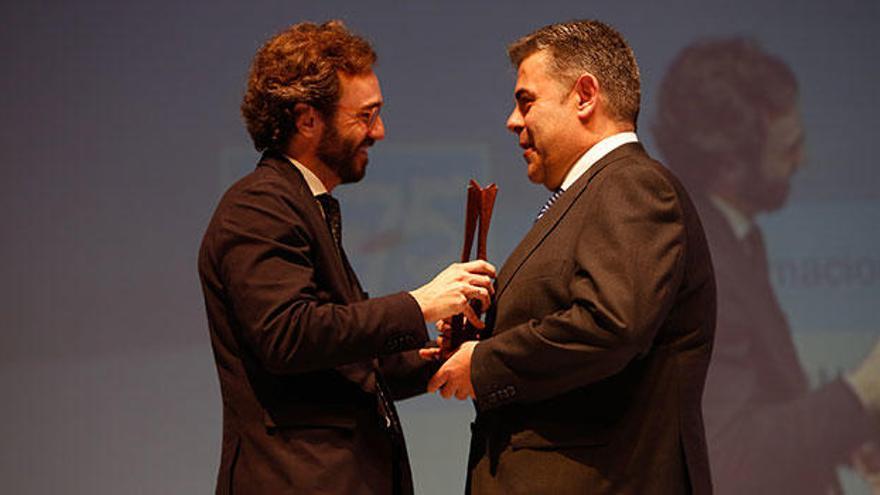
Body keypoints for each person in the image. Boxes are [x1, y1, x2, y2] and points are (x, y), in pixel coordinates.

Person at [198, 20, 495, 495]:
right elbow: (288, 335)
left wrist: (444, 355)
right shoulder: (257, 206)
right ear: (307, 119)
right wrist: (421, 305)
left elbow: (352, 363)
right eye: (365, 115)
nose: (379, 131)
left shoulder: (302, 204)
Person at [424, 20, 717, 494]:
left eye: (526, 101)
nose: (512, 121)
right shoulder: (590, 193)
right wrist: (480, 332)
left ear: (584, 96)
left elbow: (611, 324)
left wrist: (484, 362)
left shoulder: (631, 185)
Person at [653, 37, 880, 494]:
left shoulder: (732, 237)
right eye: (789, 148)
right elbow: (728, 454)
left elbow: (761, 406)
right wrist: (863, 391)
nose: (803, 160)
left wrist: (841, 438)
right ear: (728, 163)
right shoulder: (700, 257)